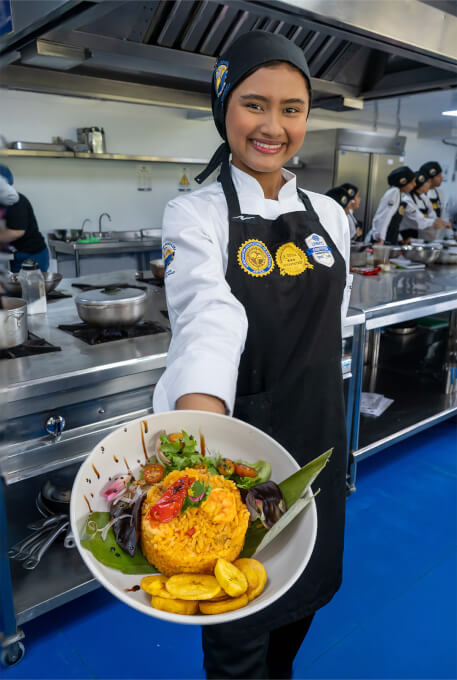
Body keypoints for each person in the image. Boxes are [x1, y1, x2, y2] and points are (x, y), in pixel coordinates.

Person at [153, 31, 352, 680]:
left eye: (291, 108)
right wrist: (202, 450)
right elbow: (209, 317)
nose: (273, 126)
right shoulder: (195, 213)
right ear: (224, 108)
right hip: (236, 457)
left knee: (300, 608)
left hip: (317, 444)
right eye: (253, 104)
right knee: (236, 631)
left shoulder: (330, 214)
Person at [0, 164, 49, 272]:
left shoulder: (15, 201)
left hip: (31, 255)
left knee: (30, 287)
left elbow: (17, 232)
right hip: (15, 255)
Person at [400, 170, 450, 242]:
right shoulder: (407, 199)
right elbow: (419, 221)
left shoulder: (423, 197)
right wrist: (435, 223)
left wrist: (438, 221)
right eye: (428, 182)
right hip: (406, 237)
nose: (429, 185)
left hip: (419, 235)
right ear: (420, 184)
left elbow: (432, 215)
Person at [370, 166, 416, 244]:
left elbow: (393, 222)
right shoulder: (394, 192)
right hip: (382, 240)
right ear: (403, 182)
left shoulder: (399, 193)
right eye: (412, 182)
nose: (414, 184)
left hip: (388, 239)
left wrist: (400, 239)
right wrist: (380, 239)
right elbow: (384, 217)